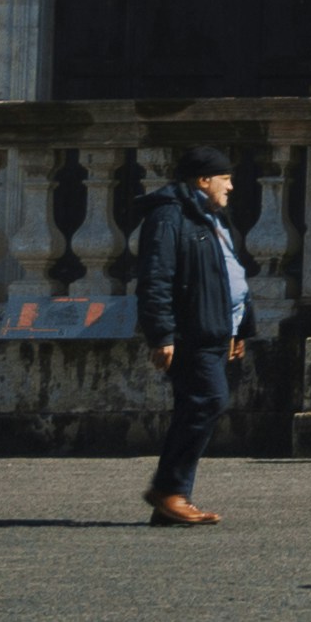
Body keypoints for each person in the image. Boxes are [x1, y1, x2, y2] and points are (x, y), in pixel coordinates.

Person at [131, 158, 248, 526]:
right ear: (202, 179)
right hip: (190, 331)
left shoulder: (210, 217)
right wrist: (161, 334)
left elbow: (230, 275)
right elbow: (156, 278)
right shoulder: (169, 217)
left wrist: (239, 329)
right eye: (224, 179)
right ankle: (169, 489)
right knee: (208, 400)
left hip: (216, 329)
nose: (230, 187)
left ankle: (171, 501)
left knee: (194, 406)